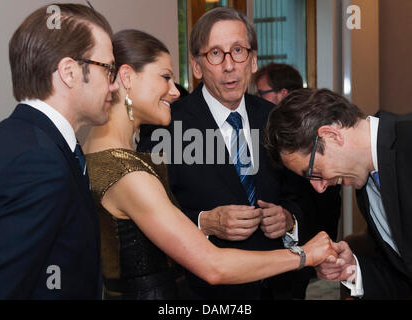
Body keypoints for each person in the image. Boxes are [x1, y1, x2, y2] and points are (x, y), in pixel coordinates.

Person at [83, 29, 336, 300]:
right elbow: (213, 266)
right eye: (166, 77)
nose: (174, 91)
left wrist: (289, 219)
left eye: (239, 51)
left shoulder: (98, 150)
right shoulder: (128, 170)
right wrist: (305, 255)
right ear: (127, 77)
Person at [138, 7, 305, 300]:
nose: (229, 66)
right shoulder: (166, 125)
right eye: (215, 53)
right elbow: (147, 216)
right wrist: (206, 221)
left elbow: (302, 194)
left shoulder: (275, 118)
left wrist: (289, 219)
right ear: (197, 66)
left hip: (281, 286)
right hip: (207, 293)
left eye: (238, 51)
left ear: (252, 61)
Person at [0, 4, 118, 299]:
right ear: (69, 72)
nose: (114, 85)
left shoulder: (24, 140)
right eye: (108, 69)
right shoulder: (39, 162)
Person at [265, 87, 412, 299]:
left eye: (314, 172)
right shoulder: (366, 190)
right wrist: (354, 270)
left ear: (331, 136)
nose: (319, 187)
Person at [254, 63, 342, 299]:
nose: (257, 100)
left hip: (304, 252)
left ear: (282, 94)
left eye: (261, 93)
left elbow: (319, 206)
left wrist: (289, 220)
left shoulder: (304, 138)